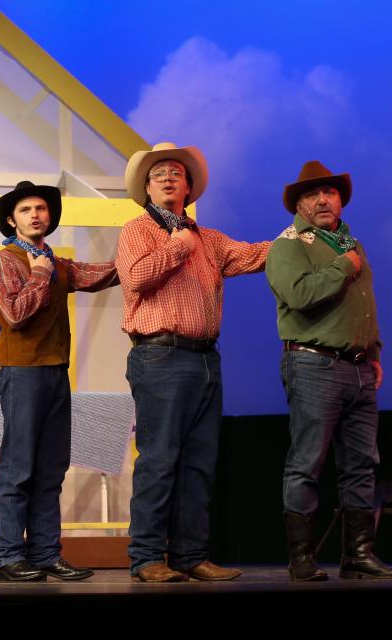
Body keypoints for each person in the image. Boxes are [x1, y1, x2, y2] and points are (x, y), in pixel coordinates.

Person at [116, 142, 269, 582]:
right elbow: (137, 277)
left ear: (188, 187)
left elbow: (254, 254)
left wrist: (296, 238)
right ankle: (147, 558)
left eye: (176, 174)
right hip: (160, 355)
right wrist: (179, 246)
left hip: (205, 359)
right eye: (159, 173)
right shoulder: (137, 231)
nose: (168, 178)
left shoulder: (211, 240)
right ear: (146, 187)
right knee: (160, 459)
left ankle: (190, 555)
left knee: (199, 462)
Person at [266, 160, 392, 581]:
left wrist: (375, 352)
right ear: (300, 204)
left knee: (362, 463)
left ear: (341, 200)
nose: (323, 199)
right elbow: (300, 293)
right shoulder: (289, 245)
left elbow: (365, 304)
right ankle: (302, 558)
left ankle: (358, 554)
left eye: (330, 192)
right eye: (313, 194)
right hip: (313, 363)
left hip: (359, 368)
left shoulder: (351, 243)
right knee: (307, 461)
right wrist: (344, 266)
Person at [0, 181, 119, 582]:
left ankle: (45, 553)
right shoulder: (5, 260)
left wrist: (141, 258)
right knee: (19, 467)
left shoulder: (57, 263)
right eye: (26, 210)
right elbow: (14, 314)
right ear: (12, 219)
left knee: (51, 468)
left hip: (56, 370)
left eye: (41, 209)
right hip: (22, 370)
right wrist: (40, 277)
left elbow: (100, 274)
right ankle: (9, 556)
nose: (36, 215)